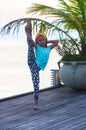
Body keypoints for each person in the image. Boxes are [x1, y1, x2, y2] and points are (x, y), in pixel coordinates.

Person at [25, 19, 59, 110]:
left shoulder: (48, 48)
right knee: (30, 46)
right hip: (32, 63)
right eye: (40, 40)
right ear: (38, 42)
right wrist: (27, 34)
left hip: (36, 68)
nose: (42, 41)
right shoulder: (38, 46)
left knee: (37, 85)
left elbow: (57, 41)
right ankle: (28, 27)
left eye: (43, 40)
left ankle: (36, 103)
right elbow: (32, 41)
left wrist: (47, 41)